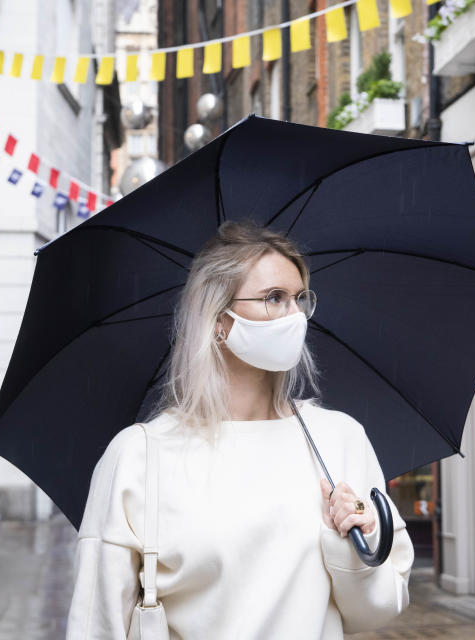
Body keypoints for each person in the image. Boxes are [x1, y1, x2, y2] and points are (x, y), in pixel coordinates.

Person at [65, 220, 414, 639]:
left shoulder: (339, 439)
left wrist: (358, 534)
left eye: (301, 299)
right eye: (274, 298)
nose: (295, 316)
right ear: (218, 319)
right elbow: (95, 624)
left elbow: (381, 608)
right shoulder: (141, 455)